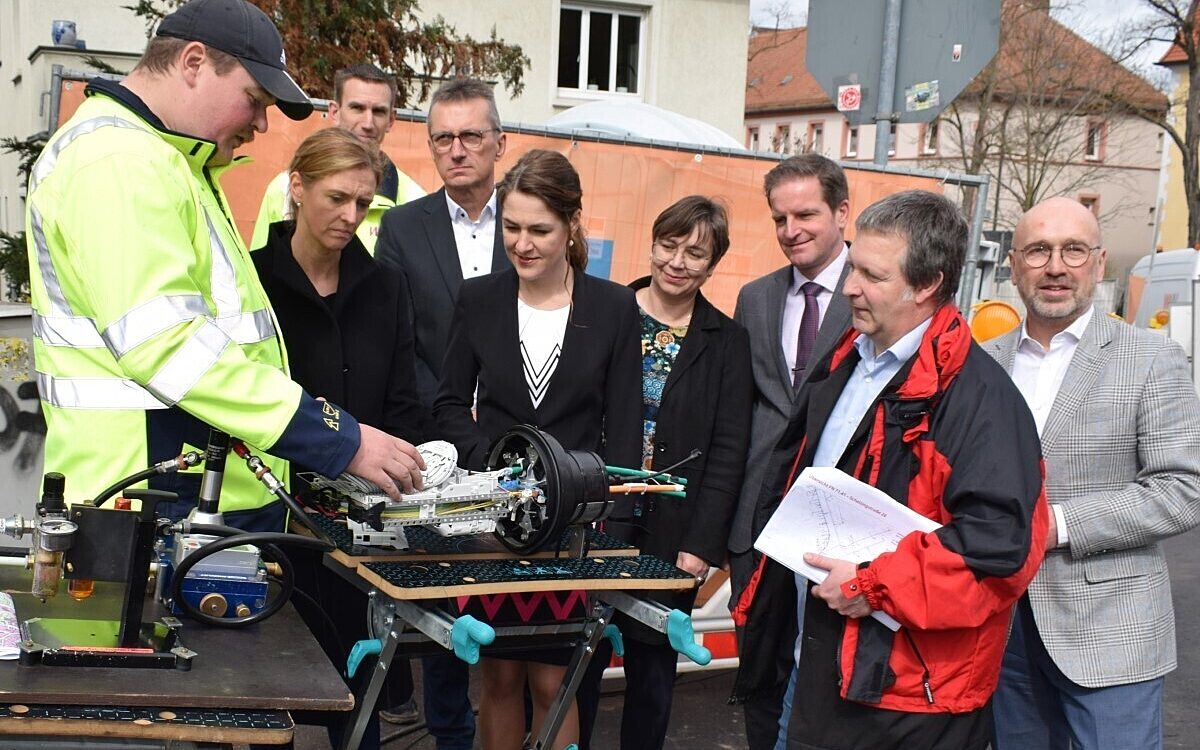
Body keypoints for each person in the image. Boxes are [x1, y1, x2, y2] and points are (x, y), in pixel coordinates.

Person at [23, 0, 423, 532]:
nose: (260, 123)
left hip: (184, 491)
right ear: (193, 63)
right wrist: (336, 437)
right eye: (253, 100)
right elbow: (169, 345)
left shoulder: (170, 160)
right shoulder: (120, 161)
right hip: (149, 496)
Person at [732, 190, 1048, 750]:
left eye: (871, 275)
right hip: (815, 672)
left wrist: (872, 584)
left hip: (909, 702)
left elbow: (998, 548)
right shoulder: (847, 359)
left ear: (926, 285)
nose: (850, 286)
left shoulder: (981, 400)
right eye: (853, 266)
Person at [434, 148, 642, 750]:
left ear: (572, 225)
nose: (522, 244)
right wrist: (499, 462)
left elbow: (623, 427)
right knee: (498, 677)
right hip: (495, 525)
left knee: (557, 682)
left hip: (575, 528)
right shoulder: (478, 300)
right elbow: (448, 405)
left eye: (539, 230)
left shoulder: (613, 307)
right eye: (512, 227)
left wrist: (616, 532)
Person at [985, 197, 1200, 750]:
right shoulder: (982, 361)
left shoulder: (1153, 358)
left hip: (1110, 634)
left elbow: (1181, 490)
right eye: (1038, 251)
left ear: (1098, 263)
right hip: (999, 632)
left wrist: (1056, 525)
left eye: (1073, 250)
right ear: (1013, 265)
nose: (1055, 266)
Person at [251, 127, 428, 750]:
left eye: (364, 203)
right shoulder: (252, 285)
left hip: (363, 533)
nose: (351, 216)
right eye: (337, 198)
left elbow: (403, 405)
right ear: (296, 188)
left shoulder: (386, 286)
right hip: (269, 523)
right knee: (264, 703)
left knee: (359, 706)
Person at [580, 196, 753, 750]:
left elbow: (729, 450)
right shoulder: (606, 311)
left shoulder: (727, 342)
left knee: (653, 676)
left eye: (695, 252)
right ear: (652, 244)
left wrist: (702, 546)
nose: (677, 261)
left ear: (714, 263)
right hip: (596, 516)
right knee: (578, 660)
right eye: (668, 245)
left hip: (674, 532)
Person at [372, 76, 513, 744]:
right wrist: (451, 422)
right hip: (436, 440)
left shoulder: (532, 215)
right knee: (445, 585)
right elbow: (398, 339)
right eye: (443, 139)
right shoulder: (401, 227)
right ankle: (450, 730)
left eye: (471, 137)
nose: (457, 151)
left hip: (522, 436)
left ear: (499, 143)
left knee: (519, 592)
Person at [725, 153, 854, 749]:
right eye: (779, 218)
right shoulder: (756, 297)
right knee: (761, 672)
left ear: (842, 213)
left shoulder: (872, 291)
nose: (790, 230)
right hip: (760, 516)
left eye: (806, 214)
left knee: (831, 674)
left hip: (841, 519)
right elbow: (741, 410)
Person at [250, 63, 425, 254]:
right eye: (357, 108)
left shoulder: (415, 200)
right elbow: (259, 273)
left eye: (378, 111)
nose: (368, 123)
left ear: (391, 120)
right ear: (334, 112)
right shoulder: (284, 188)